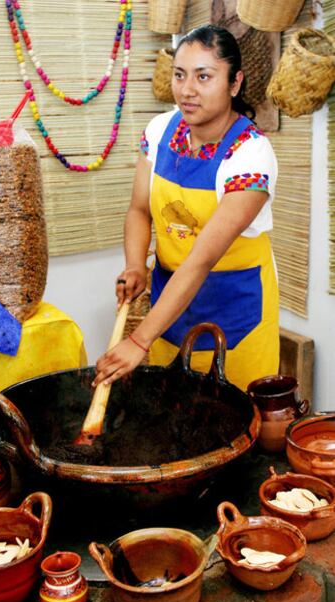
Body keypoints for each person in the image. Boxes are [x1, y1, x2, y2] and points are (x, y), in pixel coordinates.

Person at [93, 24, 279, 391]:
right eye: (180, 75)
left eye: (204, 76)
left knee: (234, 423)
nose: (187, 90)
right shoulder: (160, 132)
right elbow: (139, 210)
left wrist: (138, 340)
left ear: (234, 83)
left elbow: (200, 261)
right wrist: (135, 266)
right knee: (173, 417)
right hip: (170, 312)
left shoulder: (250, 156)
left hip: (235, 318)